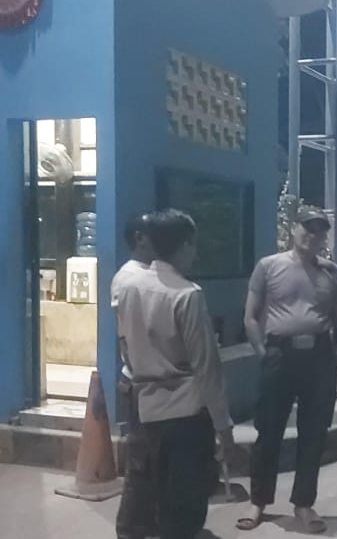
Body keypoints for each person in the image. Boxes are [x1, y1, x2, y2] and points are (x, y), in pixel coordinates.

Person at [115, 209, 236, 539]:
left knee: (155, 492)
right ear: (183, 246)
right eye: (193, 245)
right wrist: (223, 426)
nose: (195, 254)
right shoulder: (187, 294)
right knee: (185, 505)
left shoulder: (129, 288)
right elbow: (206, 366)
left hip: (147, 409)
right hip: (187, 414)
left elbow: (126, 345)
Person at [238, 208, 337, 533]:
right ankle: (258, 501)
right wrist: (263, 353)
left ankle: (303, 503)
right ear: (293, 229)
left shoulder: (331, 273)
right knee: (268, 431)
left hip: (319, 358)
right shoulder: (268, 266)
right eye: (307, 228)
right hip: (279, 355)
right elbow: (250, 316)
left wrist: (333, 358)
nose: (313, 235)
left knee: (314, 434)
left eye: (320, 230)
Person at [113, 212, 158, 539]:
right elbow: (129, 337)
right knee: (140, 462)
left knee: (152, 460)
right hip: (141, 382)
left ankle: (146, 523)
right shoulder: (131, 279)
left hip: (148, 381)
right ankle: (129, 528)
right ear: (141, 238)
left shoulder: (146, 275)